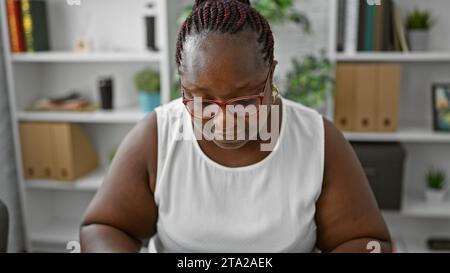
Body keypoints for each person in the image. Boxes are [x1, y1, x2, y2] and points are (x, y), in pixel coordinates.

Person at [80, 0, 391, 253]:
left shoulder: (318, 140)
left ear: (271, 75)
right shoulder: (156, 136)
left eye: (244, 102)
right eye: (201, 101)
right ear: (183, 86)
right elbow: (104, 228)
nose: (224, 122)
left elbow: (366, 242)